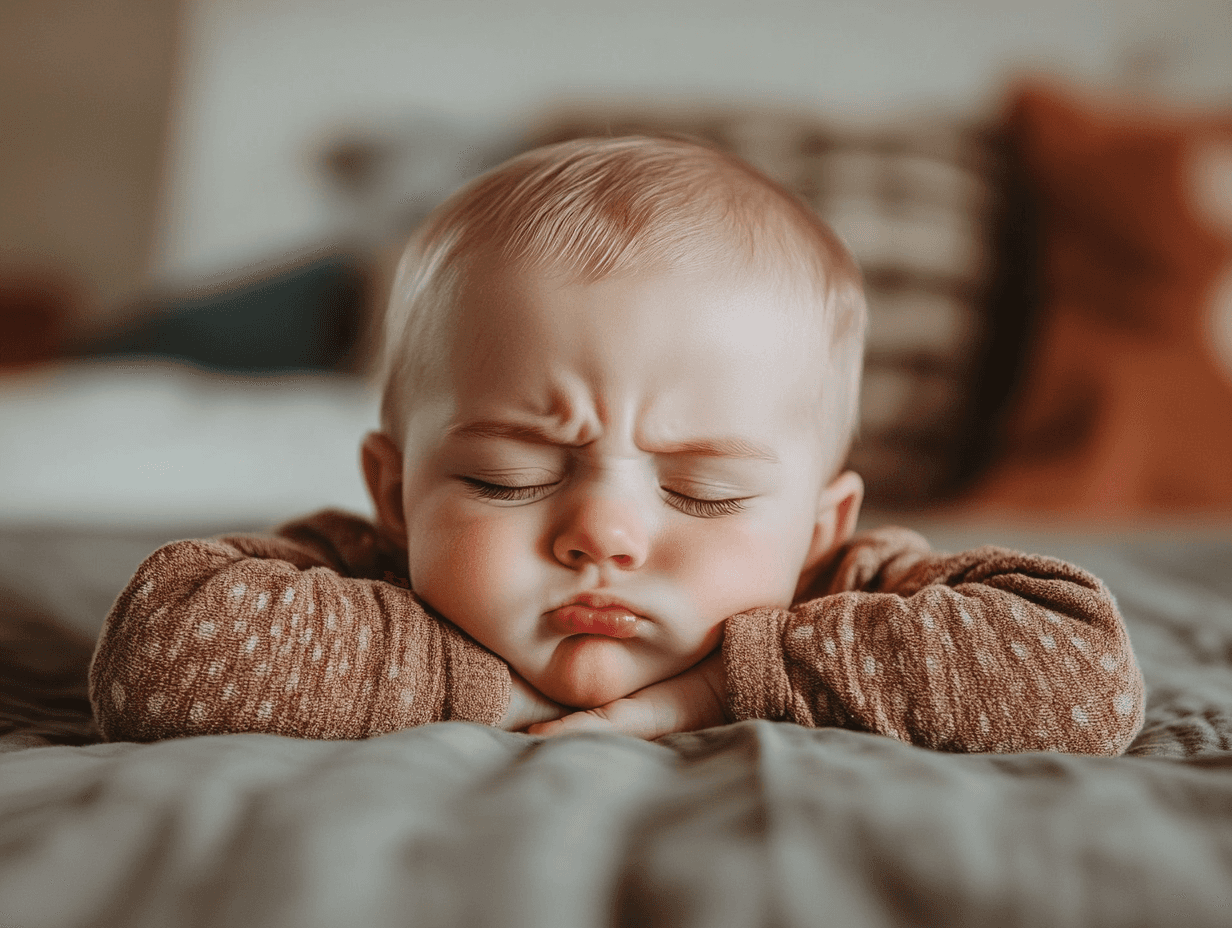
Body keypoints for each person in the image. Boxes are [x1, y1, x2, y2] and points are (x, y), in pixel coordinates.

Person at [88, 137, 1144, 753]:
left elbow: (1085, 677)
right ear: (398, 493)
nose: (601, 531)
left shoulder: (837, 584)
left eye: (706, 491)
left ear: (819, 523)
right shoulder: (374, 566)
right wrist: (499, 690)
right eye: (509, 476)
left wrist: (709, 691)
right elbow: (160, 655)